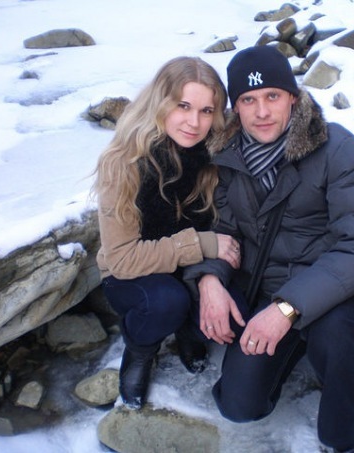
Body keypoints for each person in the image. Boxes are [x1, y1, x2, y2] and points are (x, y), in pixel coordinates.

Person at [184, 46, 354, 453]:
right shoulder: (228, 157)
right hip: (272, 285)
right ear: (236, 108)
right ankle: (292, 350)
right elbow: (224, 229)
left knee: (334, 335)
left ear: (293, 98)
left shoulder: (338, 149)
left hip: (341, 284)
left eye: (273, 96)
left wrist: (286, 309)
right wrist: (210, 279)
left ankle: (345, 440)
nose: (262, 111)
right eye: (248, 100)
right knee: (238, 405)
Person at [91, 56, 242, 410]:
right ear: (160, 102)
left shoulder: (216, 153)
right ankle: (141, 349)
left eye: (206, 111)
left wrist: (210, 275)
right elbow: (123, 259)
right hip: (134, 274)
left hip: (192, 268)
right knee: (166, 303)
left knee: (237, 311)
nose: (194, 122)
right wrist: (202, 243)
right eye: (183, 106)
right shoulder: (124, 161)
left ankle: (188, 327)